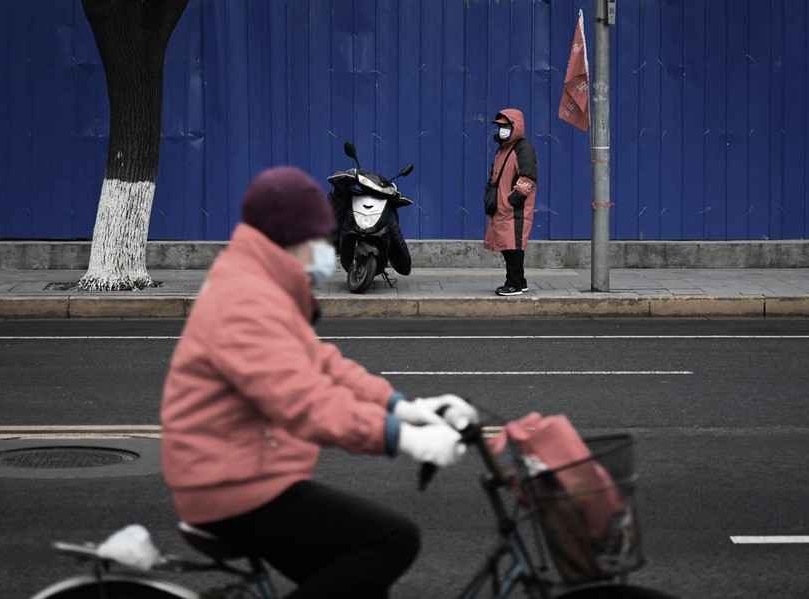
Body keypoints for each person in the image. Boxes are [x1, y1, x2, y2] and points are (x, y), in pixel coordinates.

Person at [160, 166, 477, 599]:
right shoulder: (245, 302)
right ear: (289, 238)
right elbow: (303, 400)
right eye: (318, 237)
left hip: (250, 470)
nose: (326, 248)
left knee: (358, 584)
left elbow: (322, 364)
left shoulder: (260, 285)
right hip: (230, 484)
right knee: (391, 541)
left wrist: (403, 406)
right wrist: (404, 438)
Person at [484, 108, 538, 296]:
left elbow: (528, 176)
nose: (502, 130)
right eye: (500, 126)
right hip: (503, 208)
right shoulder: (503, 148)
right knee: (508, 246)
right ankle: (519, 281)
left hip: (516, 209)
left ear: (515, 126)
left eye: (506, 126)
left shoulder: (523, 148)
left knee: (514, 246)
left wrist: (513, 200)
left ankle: (513, 283)